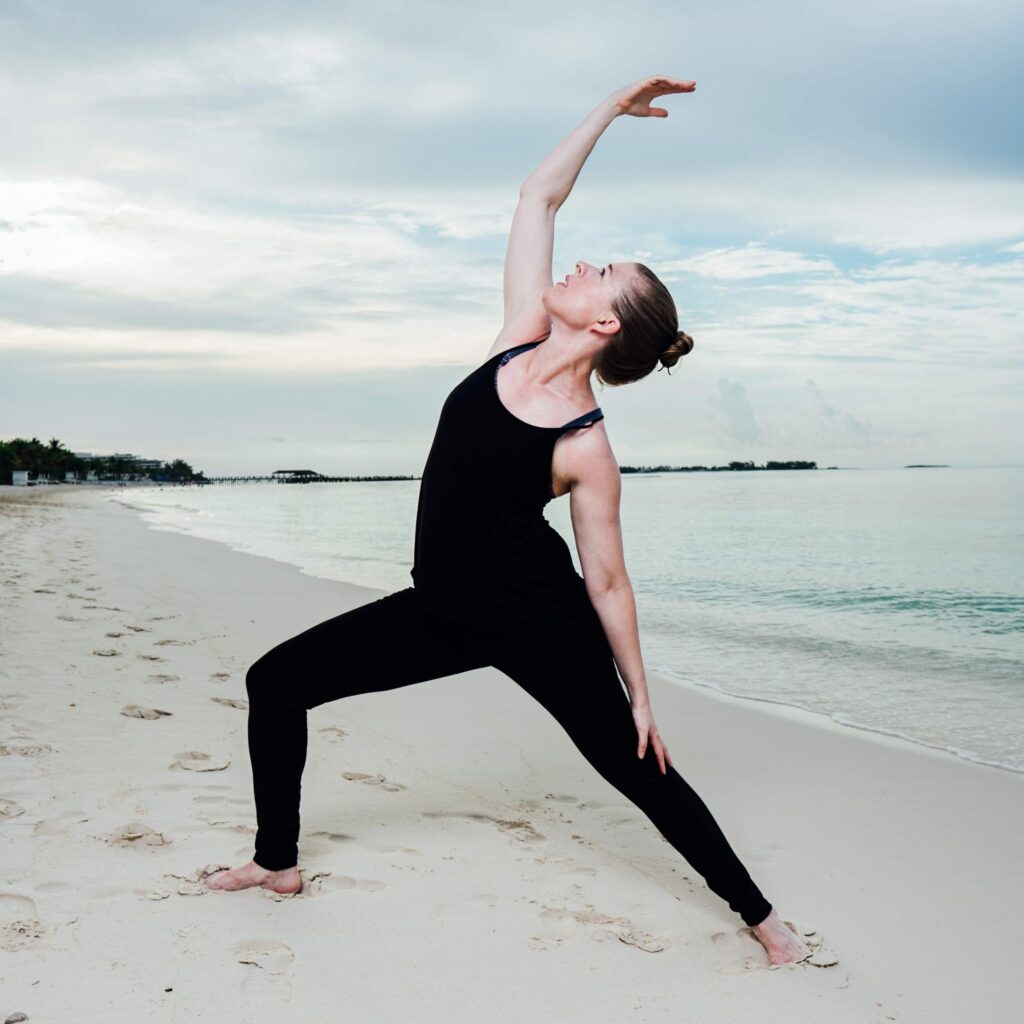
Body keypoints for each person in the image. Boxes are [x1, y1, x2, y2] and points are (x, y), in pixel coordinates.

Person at [206, 74, 813, 969]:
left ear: (605, 319)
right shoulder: (518, 336)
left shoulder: (586, 447)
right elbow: (538, 196)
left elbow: (606, 578)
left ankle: (766, 923)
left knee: (636, 772)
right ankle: (277, 863)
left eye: (599, 272)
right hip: (441, 608)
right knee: (277, 682)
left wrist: (639, 690)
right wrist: (609, 109)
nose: (580, 264)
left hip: (540, 622)